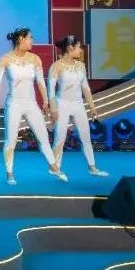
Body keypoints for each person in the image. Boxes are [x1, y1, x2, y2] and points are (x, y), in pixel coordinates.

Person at [0, 27, 66, 186]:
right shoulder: (5, 59)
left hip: (31, 104)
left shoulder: (35, 59)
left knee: (44, 139)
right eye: (30, 38)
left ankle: (55, 169)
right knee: (10, 141)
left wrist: (45, 101)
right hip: (14, 104)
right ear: (21, 39)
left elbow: (41, 83)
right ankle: (10, 174)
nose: (33, 41)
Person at [49, 35, 110, 178]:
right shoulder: (56, 66)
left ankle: (92, 167)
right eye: (78, 47)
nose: (81, 50)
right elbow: (50, 90)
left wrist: (92, 107)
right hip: (62, 103)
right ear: (70, 48)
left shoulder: (81, 65)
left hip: (78, 104)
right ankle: (55, 168)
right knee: (60, 137)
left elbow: (86, 88)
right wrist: (53, 109)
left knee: (85, 136)